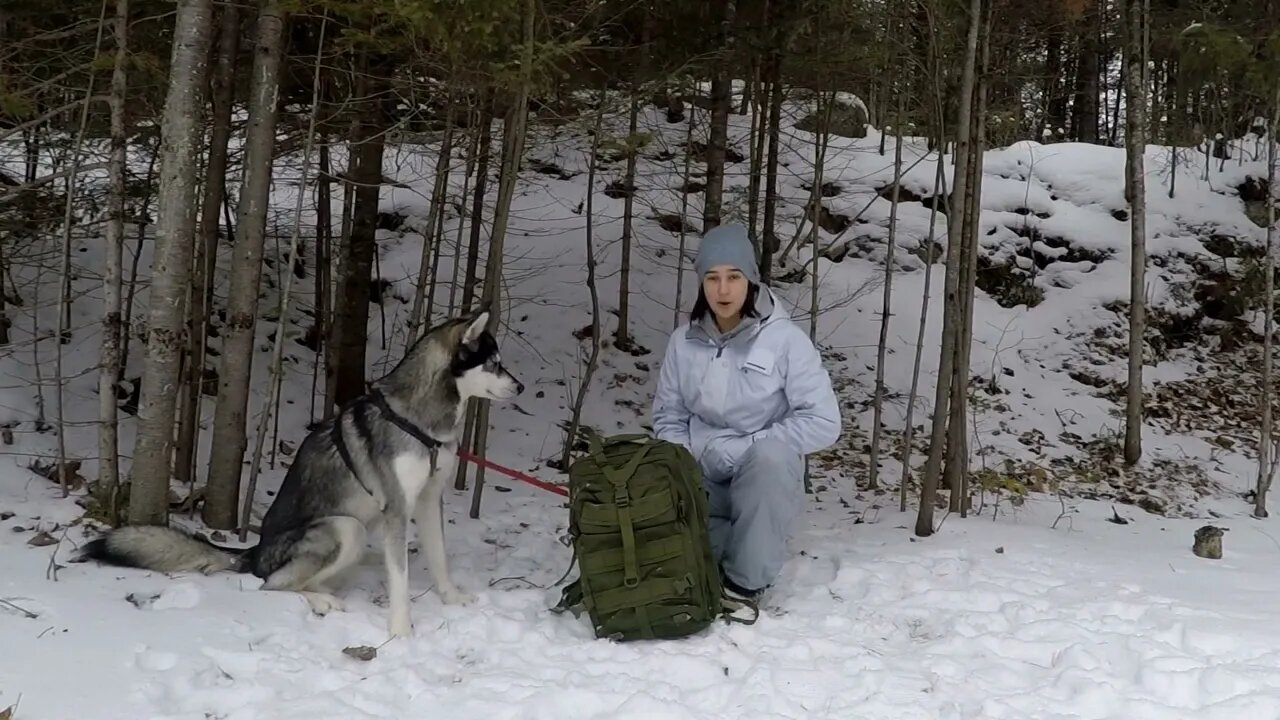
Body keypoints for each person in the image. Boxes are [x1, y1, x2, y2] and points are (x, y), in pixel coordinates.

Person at [650, 223, 842, 602]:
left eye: (734, 277)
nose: (723, 290)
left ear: (751, 279)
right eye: (713, 278)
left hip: (758, 481)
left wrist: (748, 447)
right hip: (699, 479)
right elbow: (669, 416)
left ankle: (744, 584)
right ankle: (712, 552)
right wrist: (682, 463)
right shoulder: (682, 342)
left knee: (769, 459)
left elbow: (824, 421)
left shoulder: (786, 340)